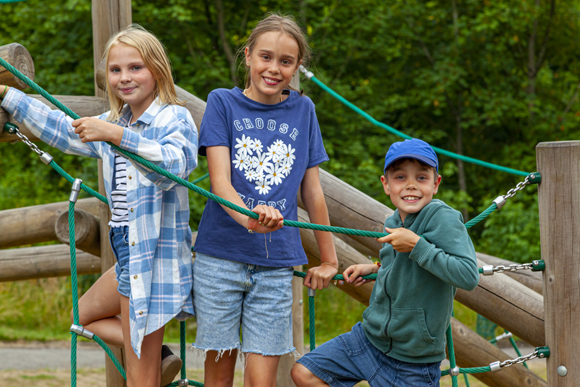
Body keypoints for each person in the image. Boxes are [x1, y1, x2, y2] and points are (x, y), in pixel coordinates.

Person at [0, 24, 198, 387]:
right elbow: (62, 128)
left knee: (140, 381)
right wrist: (8, 97)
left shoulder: (173, 117)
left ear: (157, 69)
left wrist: (118, 136)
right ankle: (158, 353)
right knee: (82, 316)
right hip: (127, 248)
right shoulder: (116, 120)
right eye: (115, 70)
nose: (124, 77)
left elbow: (174, 167)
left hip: (153, 254)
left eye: (135, 67)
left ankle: (152, 356)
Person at [192, 13, 339, 387]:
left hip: (275, 265)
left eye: (285, 61)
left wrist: (329, 258)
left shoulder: (304, 110)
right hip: (220, 257)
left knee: (262, 380)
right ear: (248, 56)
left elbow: (312, 191)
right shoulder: (223, 103)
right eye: (266, 57)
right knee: (219, 376)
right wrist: (249, 218)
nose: (274, 69)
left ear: (297, 67)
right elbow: (220, 182)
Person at [291, 138, 480, 387]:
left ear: (436, 184)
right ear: (386, 185)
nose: (411, 185)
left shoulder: (442, 217)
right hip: (370, 340)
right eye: (400, 177)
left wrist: (416, 245)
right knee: (305, 372)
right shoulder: (391, 221)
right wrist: (375, 268)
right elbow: (406, 268)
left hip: (414, 361)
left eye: (421, 178)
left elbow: (468, 275)